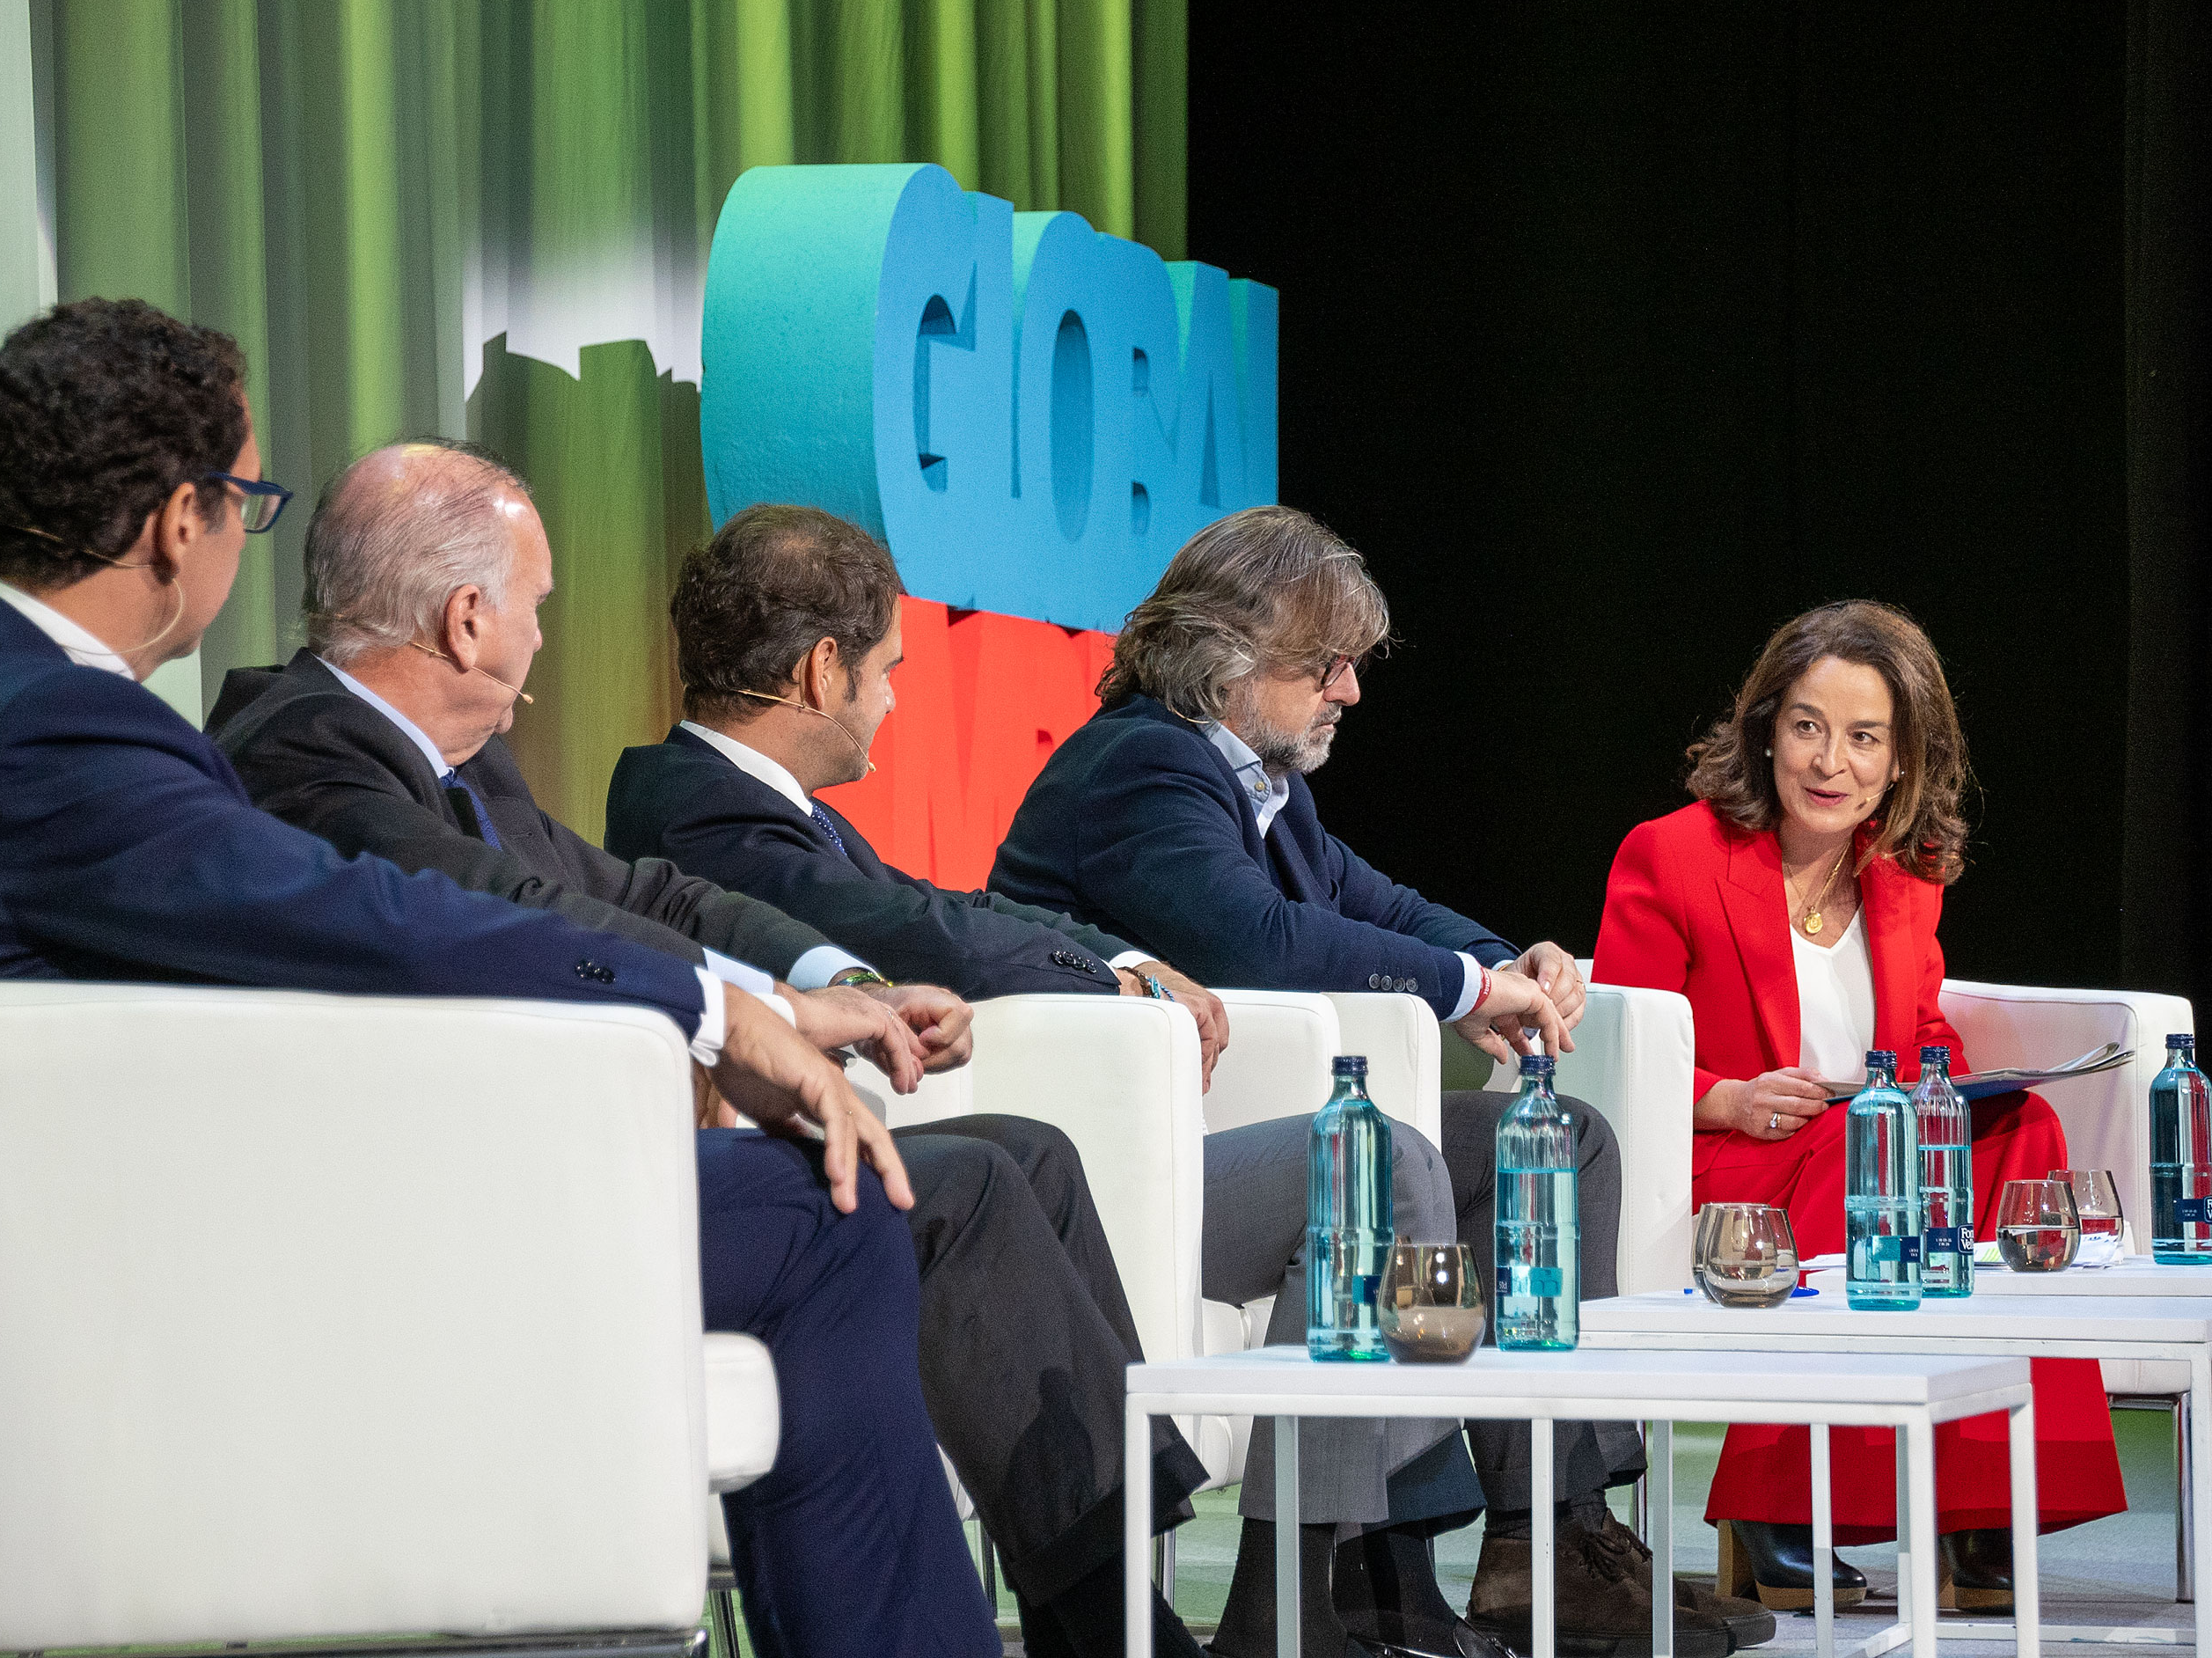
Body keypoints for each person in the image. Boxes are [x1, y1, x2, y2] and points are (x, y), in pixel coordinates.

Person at [0, 298, 996, 1658]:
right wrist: (709, 1005)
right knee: (826, 1208)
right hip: (163, 1290)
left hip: (128, 1237)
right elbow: (354, 918)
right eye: (249, 506)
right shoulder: (46, 730)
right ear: (174, 524)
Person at [209, 440, 1215, 1658]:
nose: (540, 642)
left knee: (1025, 1151)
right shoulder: (307, 750)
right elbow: (502, 914)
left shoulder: (460, 763)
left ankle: (1107, 1612)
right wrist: (747, 1018)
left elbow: (643, 894)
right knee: (954, 1188)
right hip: (458, 1200)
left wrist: (834, 983)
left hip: (563, 1144)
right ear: (467, 620)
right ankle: (1116, 1627)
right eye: (536, 609)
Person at [607, 506, 1613, 1658]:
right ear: (822, 668)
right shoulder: (702, 804)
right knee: (1367, 1164)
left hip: (1015, 1126)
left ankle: (1267, 1594)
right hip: (873, 1157)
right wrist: (1118, 981)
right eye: (886, 670)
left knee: (1433, 1153)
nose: (895, 698)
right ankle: (1240, 1606)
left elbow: (959, 911)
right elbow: (913, 923)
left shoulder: (785, 814)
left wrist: (1489, 961)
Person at [989, 507, 1744, 1658]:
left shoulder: (1257, 778)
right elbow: (1260, 945)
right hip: (1116, 1164)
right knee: (1390, 1173)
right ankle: (1306, 1589)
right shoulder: (1143, 763)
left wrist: (1504, 960)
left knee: (1557, 1139)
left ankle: (1545, 1530)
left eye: (1352, 662)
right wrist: (1463, 991)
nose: (1350, 688)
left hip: (1232, 1119)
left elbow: (1375, 903)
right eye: (1322, 663)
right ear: (1223, 659)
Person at [1591, 599, 2126, 1613]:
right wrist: (1728, 1099)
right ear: (1766, 731)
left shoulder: (1903, 871)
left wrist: (1952, 1080)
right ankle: (1777, 1504)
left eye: (1863, 737)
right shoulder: (1673, 855)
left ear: (1902, 758)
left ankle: (1984, 1505)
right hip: (1727, 1162)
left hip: (1854, 1149)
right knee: (1872, 1147)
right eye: (1807, 726)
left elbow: (1919, 1028)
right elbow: (1613, 1060)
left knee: (2024, 1133)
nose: (1830, 761)